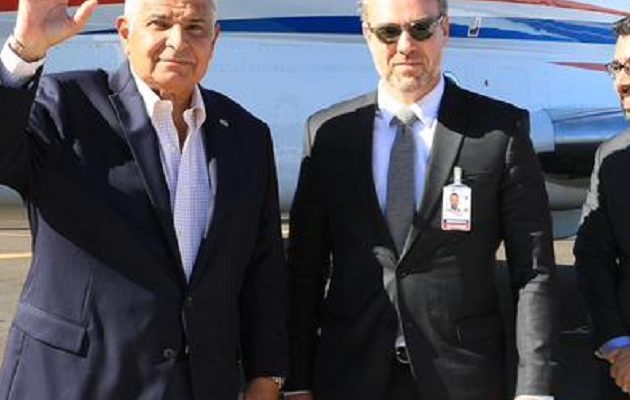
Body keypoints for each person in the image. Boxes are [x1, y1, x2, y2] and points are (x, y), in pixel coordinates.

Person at [0, 0, 287, 399]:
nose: (178, 41)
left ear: (215, 40)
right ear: (124, 33)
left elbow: (263, 266)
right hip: (77, 383)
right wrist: (24, 52)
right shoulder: (66, 105)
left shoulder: (247, 135)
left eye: (195, 28)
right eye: (160, 24)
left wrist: (267, 374)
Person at [284, 0, 555, 398]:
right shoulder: (329, 135)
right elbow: (304, 271)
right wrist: (296, 381)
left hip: (463, 379)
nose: (405, 46)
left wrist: (535, 388)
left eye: (421, 29)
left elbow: (533, 270)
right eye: (388, 32)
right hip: (349, 376)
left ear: (445, 29)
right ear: (367, 35)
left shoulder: (499, 131)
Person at [574, 16, 630, 400]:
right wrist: (619, 345)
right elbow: (592, 257)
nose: (621, 82)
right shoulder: (611, 159)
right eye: (617, 67)